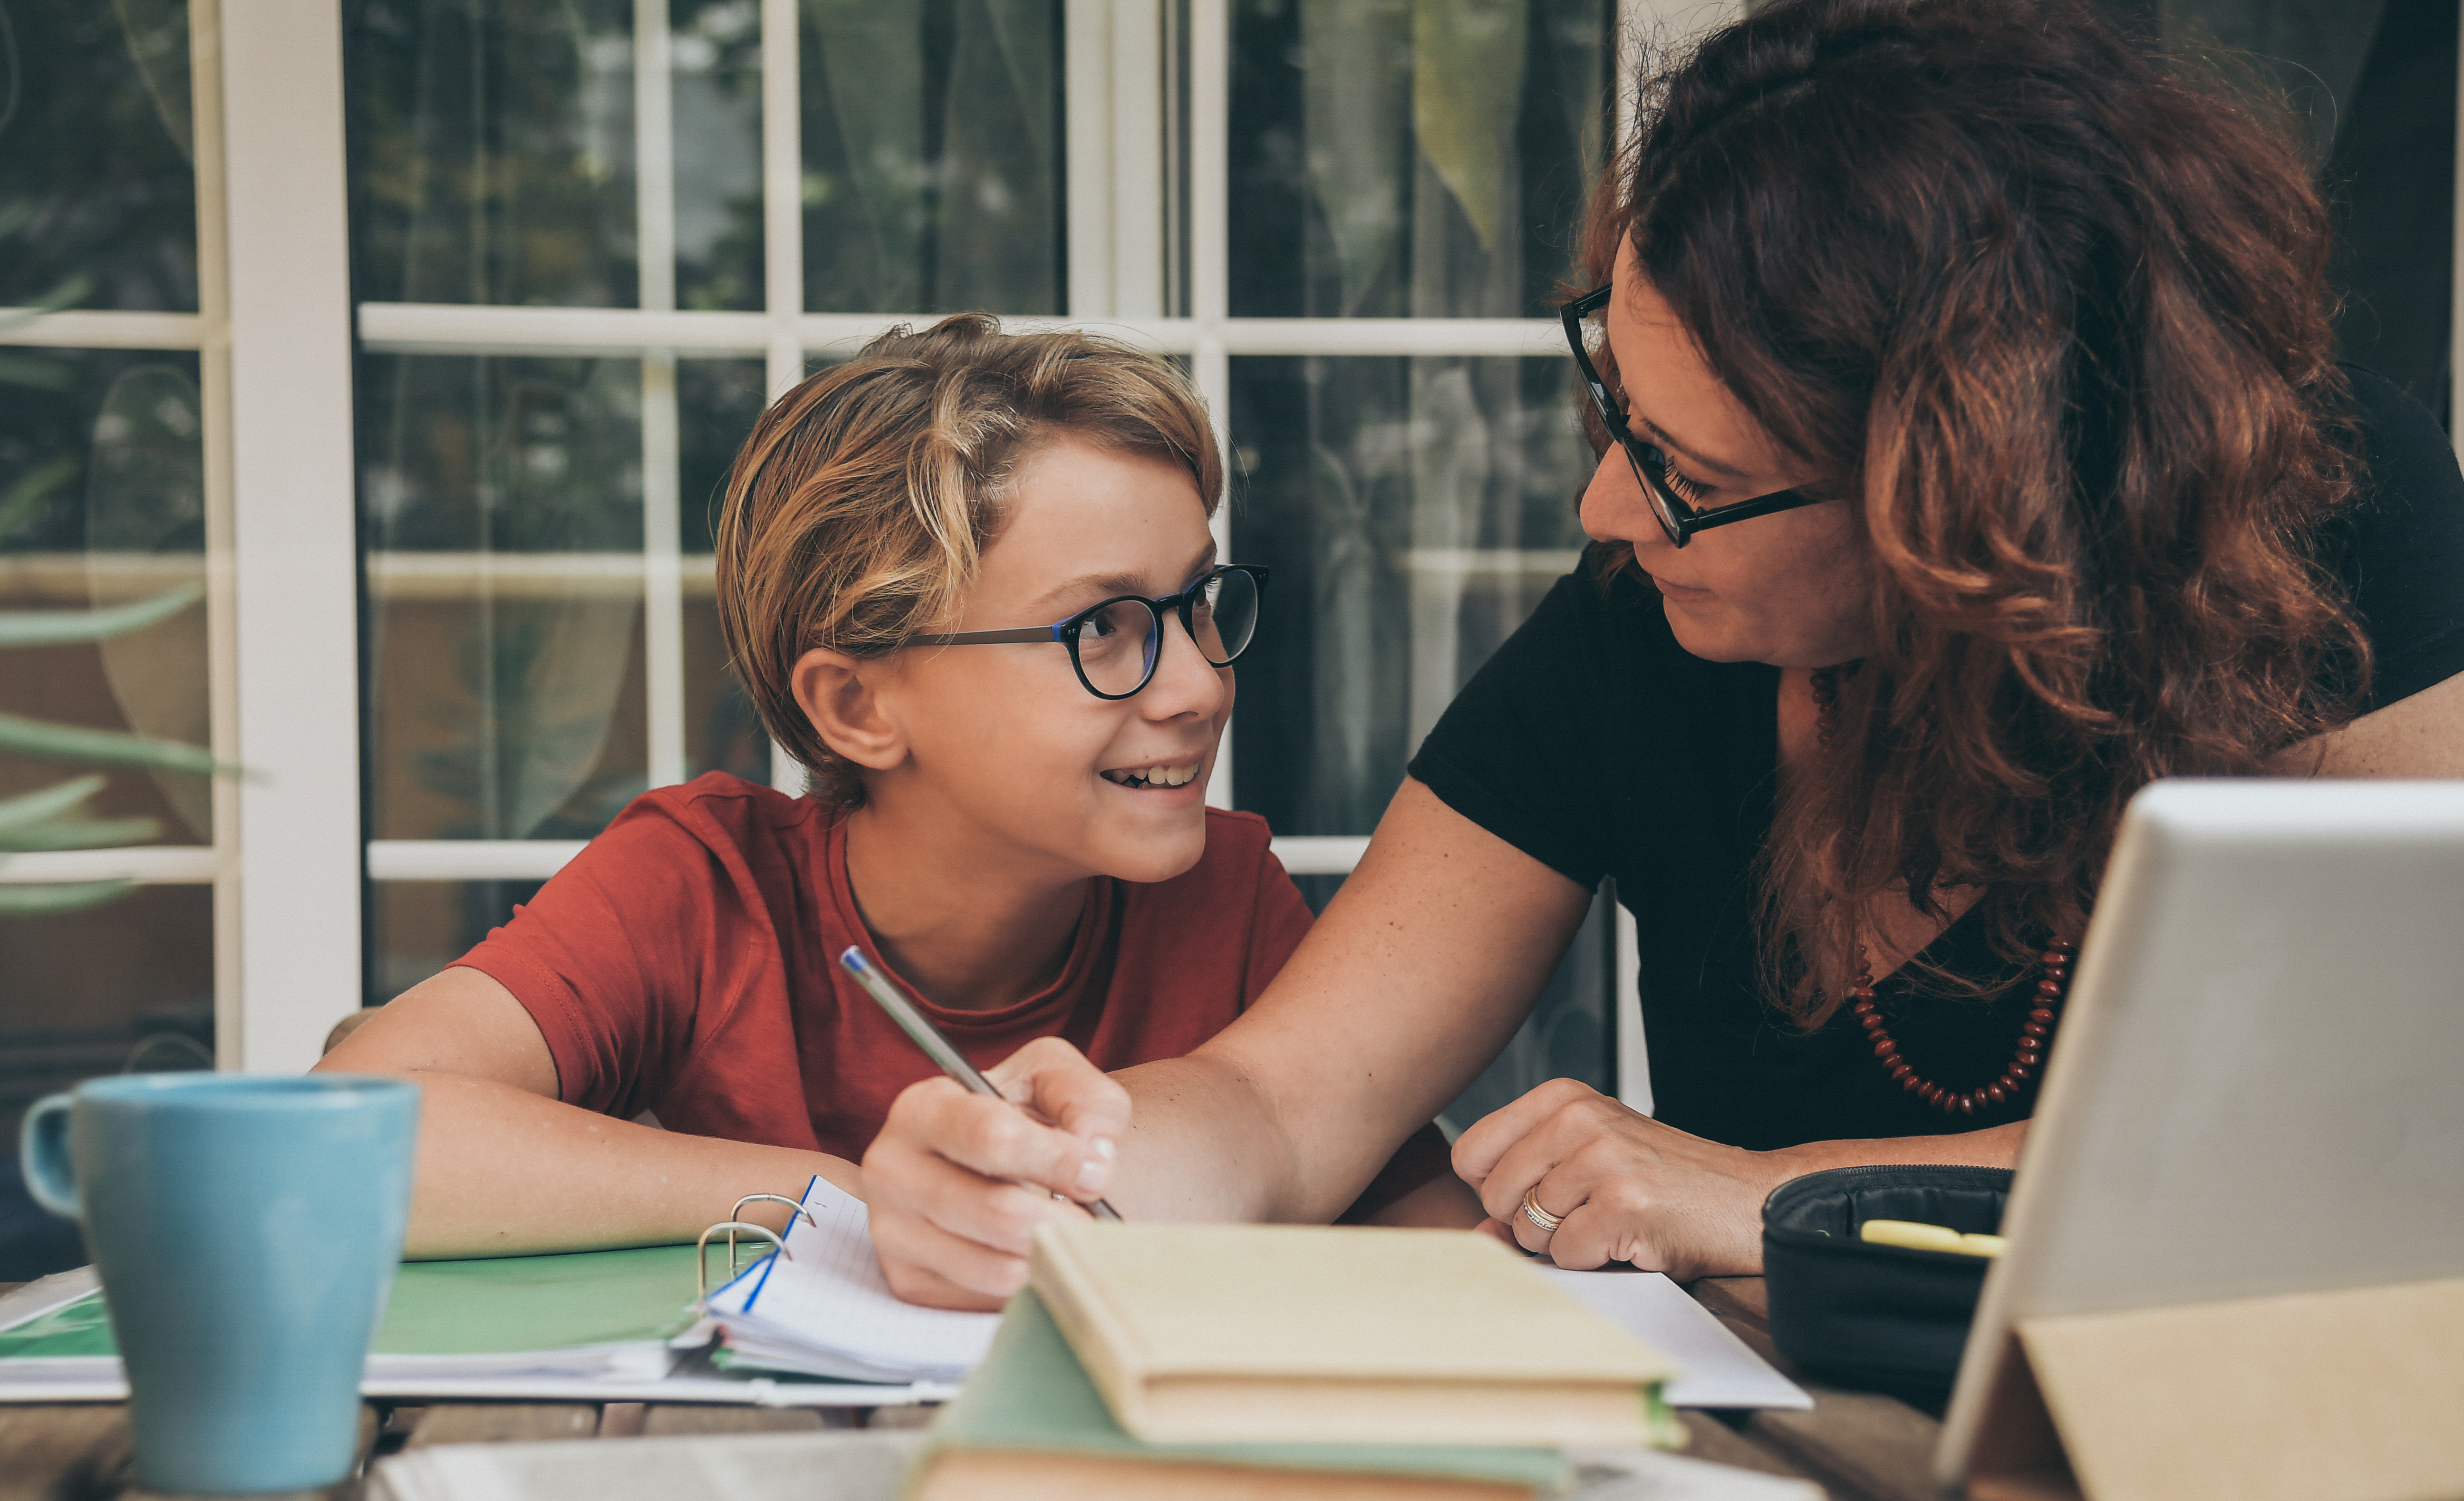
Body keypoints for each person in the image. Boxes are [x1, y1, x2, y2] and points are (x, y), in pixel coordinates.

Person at [855, 0, 2464, 1308]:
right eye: (1616, 410)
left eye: (1687, 477)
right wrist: (1056, 1175)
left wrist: (1772, 1197)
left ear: (1959, 496)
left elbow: (2371, 1142)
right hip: (1781, 1480)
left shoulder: (2318, 528)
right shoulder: (1648, 624)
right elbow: (1287, 1101)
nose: (1602, 503)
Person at [320, 317, 1462, 1255]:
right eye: (1105, 627)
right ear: (858, 707)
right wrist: (841, 1195)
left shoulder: (1224, 899)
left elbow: (1438, 1248)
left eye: (1199, 606)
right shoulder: (702, 886)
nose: (1197, 682)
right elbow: (343, 1136)